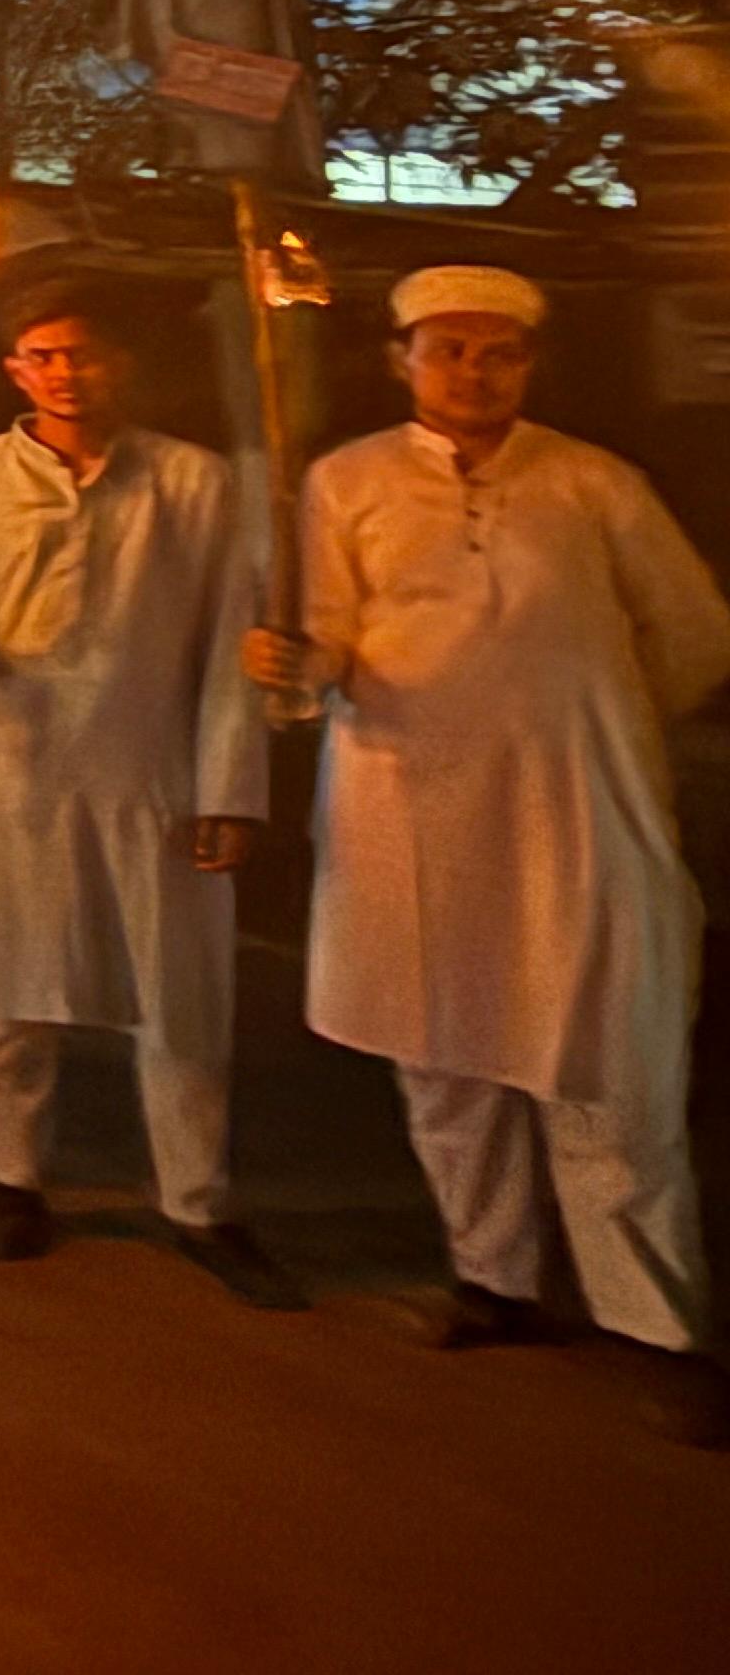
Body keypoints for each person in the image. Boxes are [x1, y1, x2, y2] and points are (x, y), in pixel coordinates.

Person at [249, 263, 730, 1441]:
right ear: (402, 360)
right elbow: (325, 639)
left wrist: (591, 725)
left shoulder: (591, 481)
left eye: (496, 352)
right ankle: (493, 1279)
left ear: (529, 363)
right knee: (446, 1059)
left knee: (603, 1064)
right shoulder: (344, 480)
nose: (473, 371)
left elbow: (696, 633)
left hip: (575, 814)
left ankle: (652, 1326)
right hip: (410, 812)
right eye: (447, 350)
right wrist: (293, 668)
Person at [0, 270, 285, 1300]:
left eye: (82, 353)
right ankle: (14, 1181)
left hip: (150, 769)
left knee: (179, 997)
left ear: (120, 363)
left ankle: (198, 1202)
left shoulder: (195, 482)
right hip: (13, 767)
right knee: (13, 990)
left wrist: (230, 790)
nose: (64, 374)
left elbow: (228, 649)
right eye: (42, 356)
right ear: (11, 370)